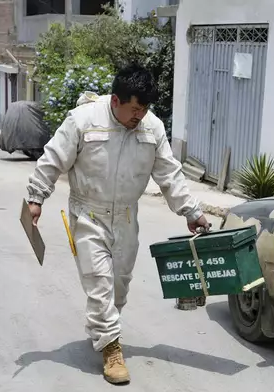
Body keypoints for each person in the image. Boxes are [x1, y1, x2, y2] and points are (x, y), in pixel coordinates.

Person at [25, 63, 210, 384]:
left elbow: (169, 174)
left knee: (119, 286)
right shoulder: (82, 120)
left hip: (126, 216)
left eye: (145, 108)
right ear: (115, 101)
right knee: (99, 282)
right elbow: (53, 158)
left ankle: (105, 325)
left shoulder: (152, 128)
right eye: (135, 108)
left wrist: (192, 212)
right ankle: (111, 348)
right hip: (88, 214)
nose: (140, 115)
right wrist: (36, 197)